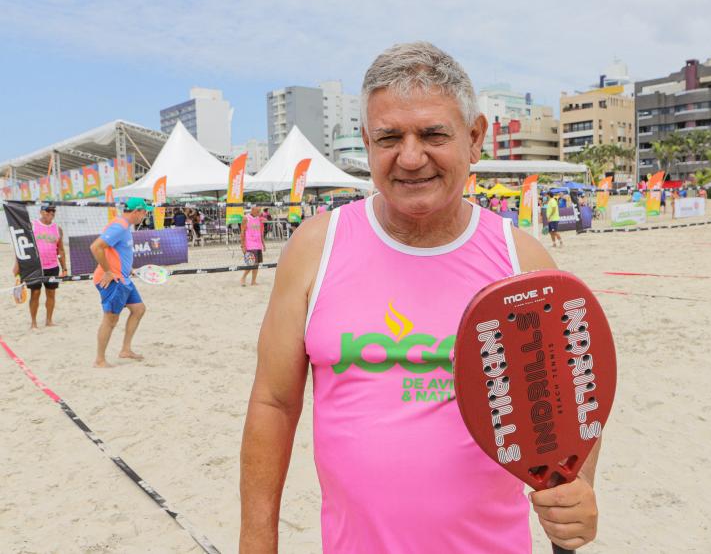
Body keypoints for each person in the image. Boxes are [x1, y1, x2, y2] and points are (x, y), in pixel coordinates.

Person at [239, 42, 600, 553]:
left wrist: (581, 490)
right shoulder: (316, 249)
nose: (411, 157)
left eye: (433, 134)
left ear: (475, 137)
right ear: (366, 141)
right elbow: (273, 403)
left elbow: (572, 404)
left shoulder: (523, 266)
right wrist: (257, 540)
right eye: (389, 137)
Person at [90, 197, 151, 367]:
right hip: (111, 280)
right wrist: (109, 271)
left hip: (123, 277)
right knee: (110, 320)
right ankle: (100, 360)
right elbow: (96, 247)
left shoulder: (124, 226)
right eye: (144, 212)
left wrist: (127, 267)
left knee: (139, 309)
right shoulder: (119, 226)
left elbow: (115, 250)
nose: (145, 216)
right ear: (136, 211)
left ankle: (125, 350)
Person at [12, 203, 67, 329]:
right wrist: (17, 265)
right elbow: (22, 246)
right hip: (35, 267)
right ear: (41, 212)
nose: (51, 213)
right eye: (48, 211)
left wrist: (64, 268)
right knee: (35, 293)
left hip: (52, 266)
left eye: (53, 211)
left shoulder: (57, 229)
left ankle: (49, 320)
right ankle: (33, 323)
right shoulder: (32, 225)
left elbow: (61, 250)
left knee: (51, 294)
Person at [240, 206, 265, 286]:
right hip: (250, 244)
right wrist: (242, 245)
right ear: (252, 210)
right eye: (257, 211)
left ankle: (253, 281)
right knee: (251, 263)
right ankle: (243, 278)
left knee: (257, 264)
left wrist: (263, 244)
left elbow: (260, 232)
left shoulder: (259, 219)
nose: (259, 213)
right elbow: (242, 232)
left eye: (259, 211)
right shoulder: (246, 218)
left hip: (258, 245)